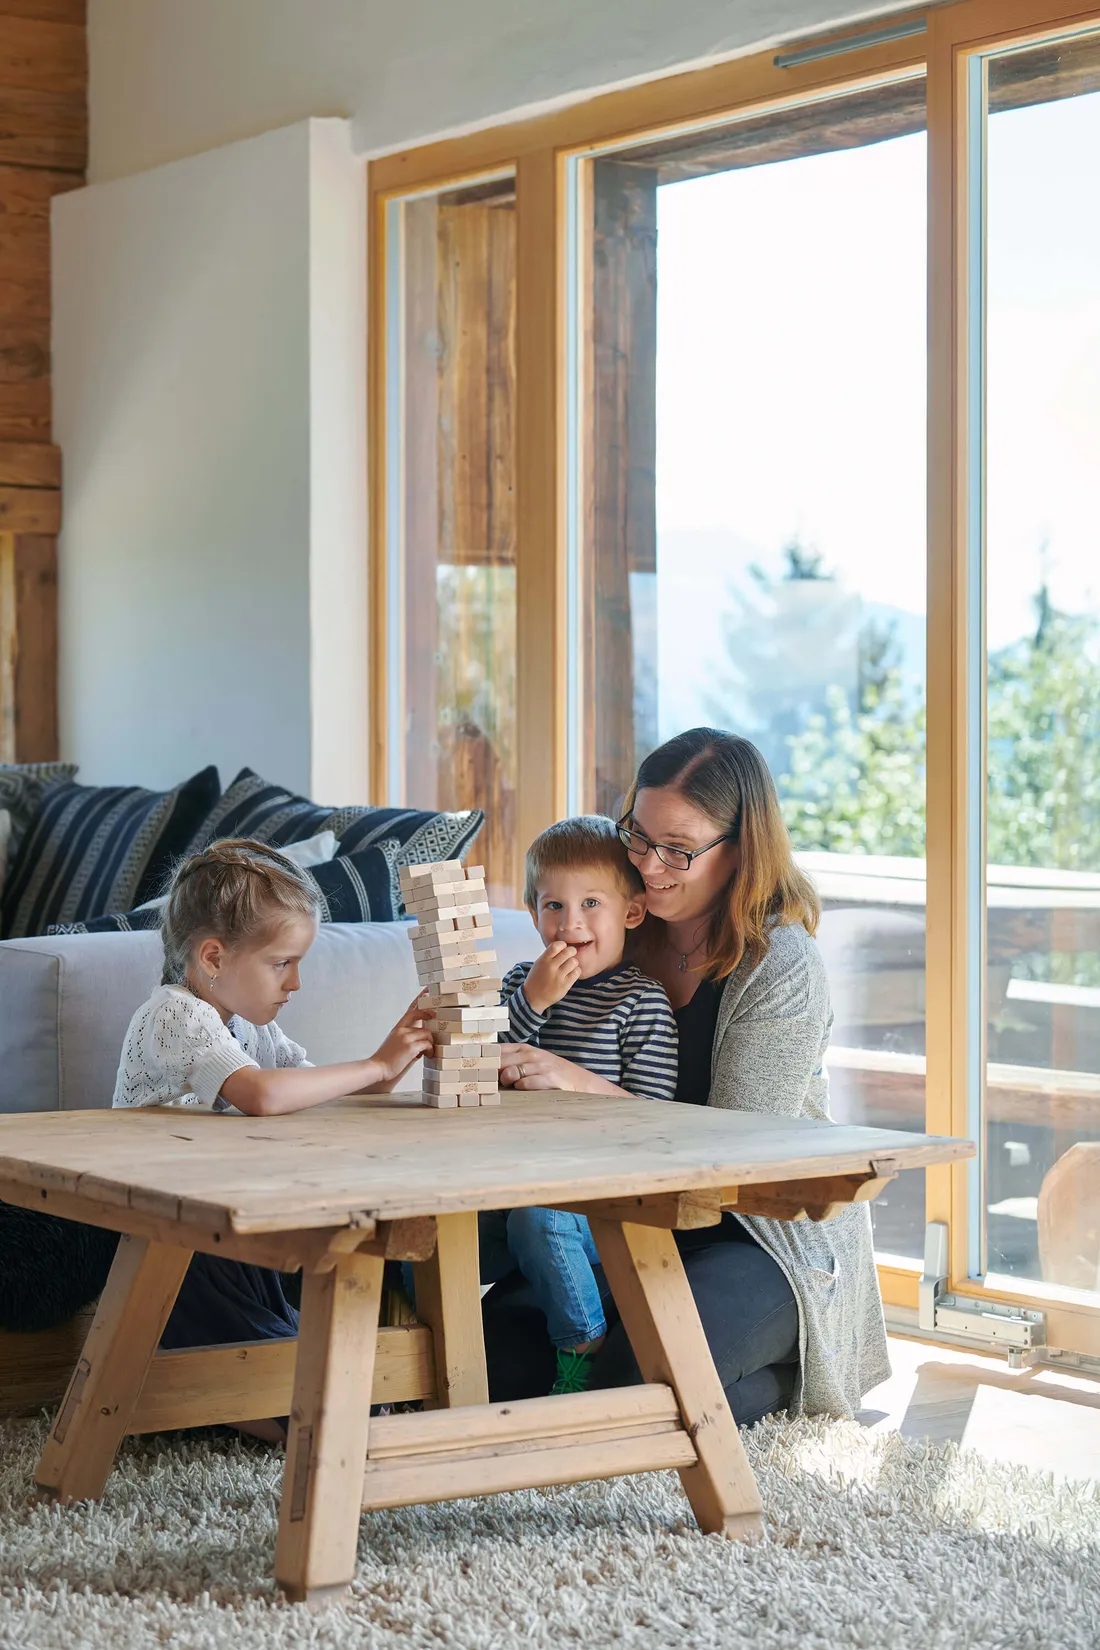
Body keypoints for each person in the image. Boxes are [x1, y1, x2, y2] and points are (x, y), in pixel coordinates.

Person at [492, 728, 890, 1424]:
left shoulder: (779, 962)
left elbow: (733, 1155)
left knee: (631, 1378)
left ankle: (792, 1373)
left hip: (757, 1232)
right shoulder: (620, 928)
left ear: (739, 850)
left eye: (678, 849)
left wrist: (579, 1084)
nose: (648, 865)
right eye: (637, 838)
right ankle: (703, 1380)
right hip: (624, 1216)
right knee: (497, 1357)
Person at [113, 837, 433, 1440]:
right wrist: (372, 1064)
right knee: (292, 1380)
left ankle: (291, 1398)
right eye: (281, 963)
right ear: (213, 957)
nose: (295, 983)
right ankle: (262, 1410)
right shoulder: (175, 1014)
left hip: (222, 1225)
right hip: (165, 1230)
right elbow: (261, 1096)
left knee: (316, 1347)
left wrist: (397, 1054)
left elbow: (315, 1091)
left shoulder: (249, 1028)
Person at [492, 815, 678, 1394]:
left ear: (631, 913)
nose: (570, 924)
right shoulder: (521, 984)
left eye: (591, 903)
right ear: (532, 914)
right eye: (553, 907)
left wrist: (571, 1080)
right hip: (511, 1180)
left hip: (603, 1198)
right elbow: (476, 1065)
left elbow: (655, 1118)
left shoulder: (640, 1001)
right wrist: (533, 1001)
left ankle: (583, 1349)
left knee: (540, 1216)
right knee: (416, 1226)